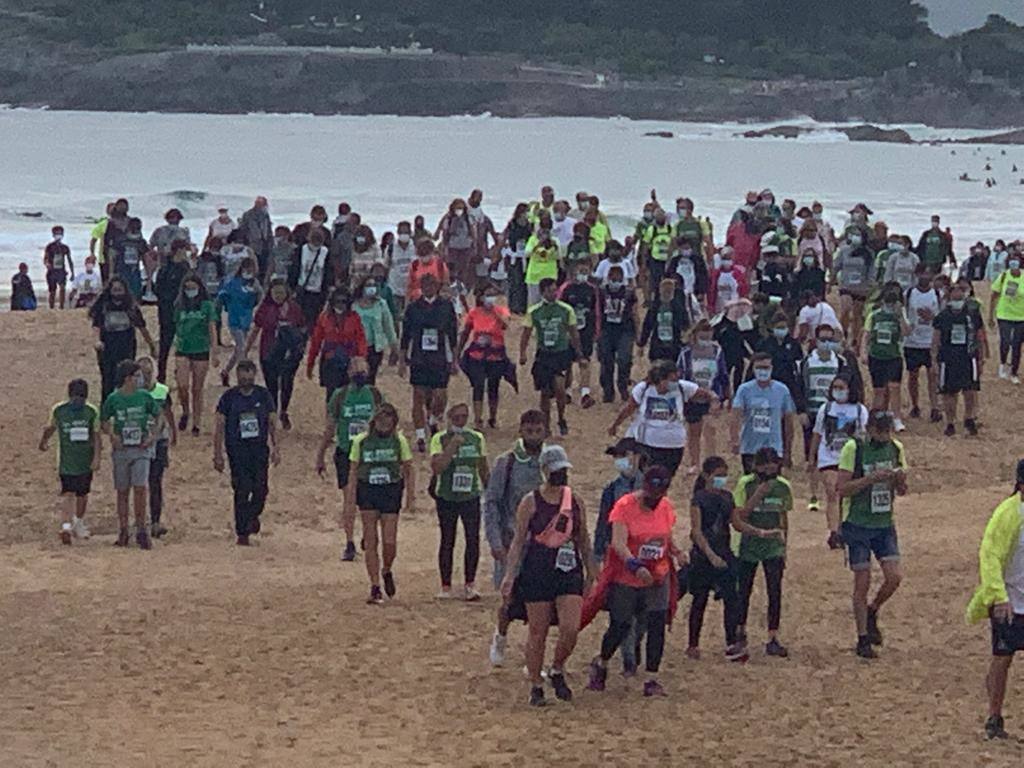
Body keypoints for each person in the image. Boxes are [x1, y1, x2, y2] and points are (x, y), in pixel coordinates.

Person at [500, 446, 595, 706]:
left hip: (568, 569)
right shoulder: (530, 502)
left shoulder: (575, 501)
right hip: (538, 569)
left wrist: (591, 573)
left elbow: (583, 538)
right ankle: (536, 684)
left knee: (570, 627)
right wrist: (510, 575)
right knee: (537, 632)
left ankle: (556, 667)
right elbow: (519, 541)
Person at [585, 465, 680, 697]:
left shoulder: (666, 507)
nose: (655, 500)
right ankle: (602, 661)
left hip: (657, 573)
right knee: (621, 624)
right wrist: (635, 566)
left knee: (656, 623)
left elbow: (666, 537)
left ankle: (651, 677)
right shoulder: (625, 506)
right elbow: (618, 542)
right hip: (628, 576)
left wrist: (677, 552)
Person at [835, 410, 907, 659]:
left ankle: (873, 609)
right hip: (857, 524)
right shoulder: (853, 449)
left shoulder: (896, 449)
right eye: (881, 430)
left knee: (894, 576)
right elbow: (842, 489)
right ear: (871, 429)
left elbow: (903, 489)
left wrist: (897, 480)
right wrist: (870, 479)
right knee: (862, 581)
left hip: (883, 522)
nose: (885, 436)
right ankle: (862, 637)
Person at [965, 459, 1024, 740]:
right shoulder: (1007, 514)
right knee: (1002, 659)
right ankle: (994, 715)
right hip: (1010, 601)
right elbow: (989, 557)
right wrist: (999, 598)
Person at [484, 410, 547, 666]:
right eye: (528, 430)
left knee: (541, 604)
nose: (533, 435)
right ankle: (501, 634)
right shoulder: (506, 462)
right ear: (520, 431)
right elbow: (492, 503)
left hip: (543, 544)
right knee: (510, 601)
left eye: (538, 430)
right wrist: (495, 542)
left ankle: (532, 656)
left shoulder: (551, 462)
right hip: (512, 542)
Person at [346, 403, 416, 604]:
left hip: (390, 490)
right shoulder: (362, 441)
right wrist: (351, 497)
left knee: (389, 542)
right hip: (368, 490)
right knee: (371, 540)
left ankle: (386, 569)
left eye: (388, 420)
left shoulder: (398, 441)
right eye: (380, 420)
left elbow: (409, 468)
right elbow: (353, 469)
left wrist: (411, 496)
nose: (384, 424)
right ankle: (375, 585)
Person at [317, 357, 384, 561]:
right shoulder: (340, 395)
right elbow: (330, 428)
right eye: (355, 369)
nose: (359, 373)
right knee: (349, 498)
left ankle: (367, 534)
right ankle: (349, 541)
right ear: (348, 373)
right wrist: (320, 454)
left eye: (363, 369)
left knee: (370, 499)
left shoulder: (374, 394)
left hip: (369, 453)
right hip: (347, 451)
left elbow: (384, 422)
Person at [732, 447, 792, 658]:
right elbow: (740, 514)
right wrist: (758, 495)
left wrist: (785, 546)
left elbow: (784, 517)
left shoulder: (783, 486)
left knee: (774, 590)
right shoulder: (746, 484)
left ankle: (773, 636)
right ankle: (740, 630)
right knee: (744, 590)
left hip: (773, 546)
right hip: (749, 545)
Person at [213, 359, 280, 546]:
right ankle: (242, 531)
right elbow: (219, 425)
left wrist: (276, 448)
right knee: (241, 489)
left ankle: (252, 515)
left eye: (249, 374)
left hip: (259, 449)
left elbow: (273, 422)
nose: (245, 379)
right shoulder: (229, 397)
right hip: (237, 450)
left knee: (261, 488)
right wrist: (217, 453)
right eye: (242, 375)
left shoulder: (263, 395)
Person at [609, 360, 713, 479]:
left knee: (666, 480)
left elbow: (706, 394)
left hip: (675, 444)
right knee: (648, 478)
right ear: (661, 379)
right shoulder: (643, 389)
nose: (674, 383)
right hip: (648, 443)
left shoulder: (683, 387)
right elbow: (629, 409)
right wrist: (615, 425)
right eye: (671, 380)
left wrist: (714, 402)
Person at [687, 456, 746, 661]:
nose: (722, 479)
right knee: (700, 600)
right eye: (718, 475)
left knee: (732, 599)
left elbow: (736, 523)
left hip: (723, 552)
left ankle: (731, 642)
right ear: (707, 476)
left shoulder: (727, 497)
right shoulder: (699, 499)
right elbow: (697, 531)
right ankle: (693, 643)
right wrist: (710, 555)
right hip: (704, 557)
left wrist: (761, 532)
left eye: (724, 475)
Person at [429, 403, 489, 600]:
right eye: (457, 418)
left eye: (464, 417)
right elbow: (438, 467)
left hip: (470, 495)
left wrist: (489, 491)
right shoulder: (439, 438)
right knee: (448, 539)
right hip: (447, 495)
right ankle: (445, 585)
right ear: (449, 418)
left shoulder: (476, 438)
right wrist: (452, 447)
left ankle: (470, 583)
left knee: (472, 538)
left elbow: (482, 466)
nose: (461, 421)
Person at [100, 360, 162, 550]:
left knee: (140, 487)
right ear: (128, 378)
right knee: (123, 490)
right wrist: (112, 435)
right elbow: (103, 420)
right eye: (137, 376)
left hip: (141, 448)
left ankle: (142, 528)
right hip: (122, 450)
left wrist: (153, 436)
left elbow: (159, 416)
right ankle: (124, 529)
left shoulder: (144, 397)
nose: (140, 379)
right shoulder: (114, 399)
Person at [400, 273, 459, 451]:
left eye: (432, 285)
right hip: (419, 357)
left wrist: (454, 360)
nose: (428, 288)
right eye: (425, 285)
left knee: (440, 395)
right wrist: (403, 359)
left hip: (439, 357)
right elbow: (406, 335)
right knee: (418, 396)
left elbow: (453, 335)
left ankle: (433, 420)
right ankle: (420, 436)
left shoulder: (446, 306)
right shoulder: (413, 308)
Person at [39, 379, 101, 545]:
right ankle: (66, 526)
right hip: (67, 462)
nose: (78, 402)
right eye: (75, 398)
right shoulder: (59, 411)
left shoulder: (91, 412)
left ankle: (78, 523)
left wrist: (96, 458)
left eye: (81, 399)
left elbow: (96, 437)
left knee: (82, 494)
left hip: (84, 462)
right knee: (68, 494)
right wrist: (44, 441)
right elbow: (50, 427)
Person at [520, 277, 582, 436]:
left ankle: (561, 417)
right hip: (544, 355)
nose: (553, 294)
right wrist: (523, 353)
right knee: (545, 392)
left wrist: (579, 353)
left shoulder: (566, 309)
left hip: (561, 353)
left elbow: (573, 332)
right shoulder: (534, 311)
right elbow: (526, 333)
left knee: (560, 389)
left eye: (555, 290)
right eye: (550, 291)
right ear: (542, 292)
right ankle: (545, 424)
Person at [247, 279, 306, 430]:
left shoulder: (294, 308)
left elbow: (302, 329)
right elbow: (256, 329)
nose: (278, 296)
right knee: (271, 384)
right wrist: (246, 350)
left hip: (289, 353)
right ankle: (272, 412)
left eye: (281, 292)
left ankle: (284, 411)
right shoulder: (265, 309)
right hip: (268, 350)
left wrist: (300, 347)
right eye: (275, 292)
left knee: (287, 382)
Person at [89, 277, 155, 402]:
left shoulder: (131, 307)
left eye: (120, 290)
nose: (117, 293)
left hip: (126, 347)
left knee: (127, 378)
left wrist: (151, 345)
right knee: (107, 380)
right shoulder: (103, 307)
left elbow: (142, 327)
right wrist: (96, 341)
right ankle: (106, 410)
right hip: (107, 349)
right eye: (115, 290)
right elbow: (96, 326)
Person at [932, 282, 985, 436]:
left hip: (968, 357)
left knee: (970, 390)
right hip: (948, 359)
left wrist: (981, 357)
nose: (957, 294)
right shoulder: (942, 316)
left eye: (960, 291)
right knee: (949, 392)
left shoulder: (972, 314)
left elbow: (979, 336)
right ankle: (950, 422)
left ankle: (969, 418)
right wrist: (934, 359)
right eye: (954, 291)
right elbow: (936, 339)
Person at [678, 320, 730, 474]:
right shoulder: (686, 353)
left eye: (708, 337)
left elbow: (723, 375)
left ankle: (711, 463)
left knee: (710, 430)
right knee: (694, 432)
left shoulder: (717, 351)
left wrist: (727, 396)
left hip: (712, 397)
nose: (705, 341)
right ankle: (694, 462)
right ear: (694, 336)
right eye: (702, 337)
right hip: (692, 398)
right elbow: (680, 375)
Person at [458, 283, 512, 429]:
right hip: (477, 354)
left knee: (494, 386)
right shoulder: (474, 313)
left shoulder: (501, 310)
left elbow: (506, 325)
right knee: (478, 385)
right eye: (488, 295)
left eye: (493, 295)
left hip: (496, 355)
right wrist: (459, 351)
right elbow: (466, 333)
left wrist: (496, 313)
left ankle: (493, 416)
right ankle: (478, 419)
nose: (491, 298)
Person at [731, 353, 796, 473]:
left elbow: (788, 421)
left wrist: (788, 450)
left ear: (772, 368)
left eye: (766, 367)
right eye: (759, 367)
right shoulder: (744, 390)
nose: (762, 371)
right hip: (750, 448)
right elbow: (736, 415)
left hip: (774, 448)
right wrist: (735, 439)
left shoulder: (782, 390)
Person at [173, 274, 219, 436]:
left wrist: (215, 350)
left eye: (193, 288)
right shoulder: (179, 305)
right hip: (183, 348)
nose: (190, 291)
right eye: (187, 288)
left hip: (200, 349)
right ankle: (186, 410)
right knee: (182, 385)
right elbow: (176, 326)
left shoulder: (206, 305)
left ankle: (197, 422)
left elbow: (212, 327)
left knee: (197, 388)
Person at [306, 287, 369, 402]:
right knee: (331, 395)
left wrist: (361, 358)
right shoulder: (324, 317)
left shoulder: (354, 317)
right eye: (337, 301)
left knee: (349, 393)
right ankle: (330, 418)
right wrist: (310, 364)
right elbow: (316, 342)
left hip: (350, 361)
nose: (340, 305)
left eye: (344, 301)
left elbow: (361, 339)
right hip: (331, 362)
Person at [137, 356, 176, 538]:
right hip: (140, 441)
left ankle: (155, 520)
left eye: (148, 373)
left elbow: (168, 414)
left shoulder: (161, 391)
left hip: (159, 440)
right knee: (140, 483)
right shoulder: (133, 393)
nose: (145, 377)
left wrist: (173, 433)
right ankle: (141, 520)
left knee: (155, 481)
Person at [862, 285, 910, 429]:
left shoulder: (900, 315)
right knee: (879, 390)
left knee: (894, 387)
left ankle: (896, 418)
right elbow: (866, 335)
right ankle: (878, 417)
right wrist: (863, 352)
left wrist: (900, 316)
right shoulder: (874, 315)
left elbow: (906, 332)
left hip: (893, 355)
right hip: (876, 355)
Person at [557, 261, 601, 409]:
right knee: (567, 363)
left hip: (586, 331)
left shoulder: (592, 289)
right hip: (569, 332)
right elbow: (560, 309)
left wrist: (596, 331)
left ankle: (585, 394)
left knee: (585, 361)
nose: (583, 273)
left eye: (586, 270)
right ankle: (567, 392)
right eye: (580, 270)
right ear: (574, 271)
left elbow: (597, 311)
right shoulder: (566, 288)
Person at [903, 265, 943, 421]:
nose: (925, 276)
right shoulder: (910, 293)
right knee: (913, 376)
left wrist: (932, 317)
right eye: (923, 273)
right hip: (912, 341)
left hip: (930, 341)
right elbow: (904, 314)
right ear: (917, 274)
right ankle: (915, 405)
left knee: (933, 375)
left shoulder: (937, 294)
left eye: (929, 273)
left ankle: (934, 407)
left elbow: (941, 316)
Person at [216, 257, 263, 386]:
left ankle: (225, 371)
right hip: (234, 319)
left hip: (246, 319)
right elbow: (222, 296)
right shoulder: (233, 282)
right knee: (242, 348)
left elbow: (260, 297)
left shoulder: (255, 284)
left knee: (239, 350)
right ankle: (243, 377)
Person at [597, 266, 640, 403]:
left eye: (618, 277)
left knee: (624, 359)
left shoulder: (629, 292)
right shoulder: (601, 292)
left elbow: (635, 312)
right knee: (606, 361)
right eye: (612, 277)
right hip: (606, 330)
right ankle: (608, 390)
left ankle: (623, 385)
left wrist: (638, 333)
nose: (615, 280)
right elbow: (596, 311)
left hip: (625, 330)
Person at [832, 228, 875, 354]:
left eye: (858, 235)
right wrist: (831, 281)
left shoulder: (868, 253)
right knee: (845, 309)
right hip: (846, 286)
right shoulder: (844, 251)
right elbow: (836, 266)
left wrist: (869, 286)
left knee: (857, 315)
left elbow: (872, 271)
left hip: (861, 288)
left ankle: (855, 341)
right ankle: (843, 335)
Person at [153, 241, 190, 382]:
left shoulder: (185, 267)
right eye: (183, 250)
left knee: (183, 345)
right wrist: (168, 301)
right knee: (165, 344)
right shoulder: (165, 268)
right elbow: (159, 289)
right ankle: (161, 374)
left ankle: (179, 372)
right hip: (167, 310)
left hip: (182, 312)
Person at [352, 276, 399, 384]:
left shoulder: (381, 304)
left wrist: (394, 347)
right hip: (356, 348)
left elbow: (389, 327)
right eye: (368, 285)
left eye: (374, 285)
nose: (372, 288)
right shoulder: (353, 305)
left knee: (370, 379)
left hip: (374, 348)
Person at [989, 251, 1024, 384]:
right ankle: (1003, 363)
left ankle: (1014, 372)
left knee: (1017, 345)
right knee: (1005, 341)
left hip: (1021, 316)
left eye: (1016, 260)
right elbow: (994, 295)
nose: (1014, 263)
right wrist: (990, 315)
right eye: (1011, 260)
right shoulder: (1004, 276)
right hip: (1004, 314)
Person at [640, 278, 690, 364]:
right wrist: (642, 343)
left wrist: (685, 342)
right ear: (660, 290)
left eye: (670, 291)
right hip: (657, 347)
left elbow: (685, 326)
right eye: (665, 290)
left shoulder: (679, 307)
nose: (667, 293)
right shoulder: (654, 307)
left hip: (674, 347)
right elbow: (647, 325)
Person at [436, 198, 476, 287]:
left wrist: (474, 245)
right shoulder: (448, 218)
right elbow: (445, 233)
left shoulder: (468, 218)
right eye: (457, 208)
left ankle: (462, 286)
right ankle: (452, 284)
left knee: (464, 268)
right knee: (452, 268)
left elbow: (473, 232)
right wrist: (444, 247)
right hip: (452, 247)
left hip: (466, 247)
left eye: (461, 208)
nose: (459, 210)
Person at [501, 204, 533, 314]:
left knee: (524, 282)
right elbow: (505, 238)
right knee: (514, 281)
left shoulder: (529, 225)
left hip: (525, 256)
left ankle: (522, 307)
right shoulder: (512, 224)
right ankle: (513, 307)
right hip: (514, 256)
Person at [524, 216, 561, 308]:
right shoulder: (533, 239)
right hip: (534, 276)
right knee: (534, 303)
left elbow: (559, 257)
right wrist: (537, 245)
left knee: (550, 301)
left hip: (549, 275)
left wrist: (555, 247)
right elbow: (526, 254)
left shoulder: (555, 240)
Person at [296, 228, 330, 328]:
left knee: (313, 318)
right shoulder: (301, 250)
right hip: (302, 289)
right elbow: (295, 268)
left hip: (318, 291)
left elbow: (328, 271)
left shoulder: (325, 252)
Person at [707, 247, 750, 315]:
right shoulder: (715, 275)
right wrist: (711, 307)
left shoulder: (738, 273)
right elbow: (712, 291)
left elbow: (743, 290)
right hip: (720, 306)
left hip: (735, 305)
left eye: (729, 258)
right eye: (724, 259)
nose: (726, 261)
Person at [406, 239, 451, 304]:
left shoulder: (440, 265)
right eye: (421, 254)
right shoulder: (414, 266)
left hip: (437, 303)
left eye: (426, 253)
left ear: (431, 252)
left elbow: (446, 285)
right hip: (418, 303)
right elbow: (409, 288)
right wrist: (406, 306)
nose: (424, 256)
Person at [239, 197, 274, 278]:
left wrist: (271, 242)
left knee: (265, 266)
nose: (265, 206)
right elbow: (243, 230)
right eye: (263, 204)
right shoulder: (247, 215)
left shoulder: (265, 215)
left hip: (265, 245)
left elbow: (269, 230)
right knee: (254, 265)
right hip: (253, 245)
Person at [43, 225, 73, 309]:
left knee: (62, 288)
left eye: (60, 233)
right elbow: (45, 258)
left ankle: (61, 307)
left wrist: (72, 273)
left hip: (61, 271)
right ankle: (51, 307)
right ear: (53, 235)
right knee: (52, 291)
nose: (58, 235)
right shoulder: (49, 247)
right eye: (56, 233)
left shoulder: (65, 247)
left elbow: (70, 260)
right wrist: (47, 264)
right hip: (52, 271)